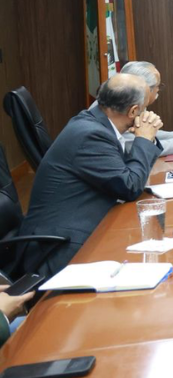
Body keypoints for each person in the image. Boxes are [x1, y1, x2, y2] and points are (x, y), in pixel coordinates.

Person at [14, 74, 161, 279]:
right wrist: (145, 139)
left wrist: (145, 141)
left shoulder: (93, 123)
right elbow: (129, 186)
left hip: (79, 230)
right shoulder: (91, 135)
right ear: (134, 111)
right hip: (58, 251)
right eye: (145, 108)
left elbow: (124, 172)